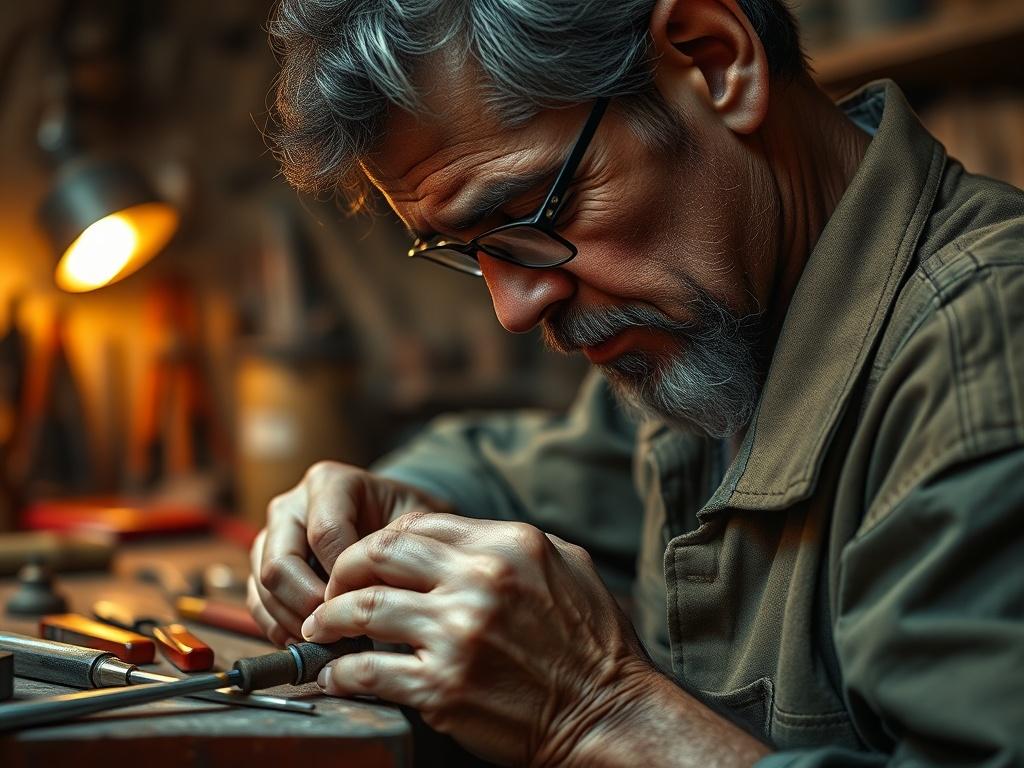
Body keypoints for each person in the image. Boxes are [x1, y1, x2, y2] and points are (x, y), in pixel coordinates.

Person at [247, 1, 1024, 765]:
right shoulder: (724, 326)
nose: (514, 310)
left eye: (531, 212)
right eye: (467, 249)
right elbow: (543, 466)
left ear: (713, 59)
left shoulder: (985, 353)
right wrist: (393, 509)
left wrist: (598, 709)